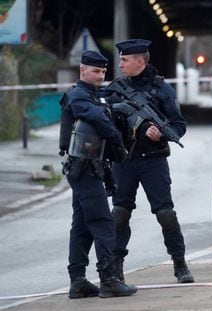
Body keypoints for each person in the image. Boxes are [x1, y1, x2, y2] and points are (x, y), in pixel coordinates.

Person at [101, 39, 194, 284]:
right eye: (120, 59)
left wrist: (161, 134)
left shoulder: (162, 89)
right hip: (124, 160)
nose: (120, 63)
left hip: (153, 160)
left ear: (140, 61)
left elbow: (179, 126)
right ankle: (115, 267)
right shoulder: (115, 87)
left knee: (165, 214)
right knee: (119, 214)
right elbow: (101, 114)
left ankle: (180, 263)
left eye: (125, 60)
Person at [59, 51, 137, 298]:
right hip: (85, 169)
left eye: (103, 71)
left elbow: (104, 112)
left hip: (91, 168)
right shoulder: (78, 96)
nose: (100, 75)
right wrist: (117, 142)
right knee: (104, 223)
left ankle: (78, 281)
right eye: (95, 71)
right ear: (82, 70)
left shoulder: (93, 95)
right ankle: (109, 279)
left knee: (82, 225)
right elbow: (95, 118)